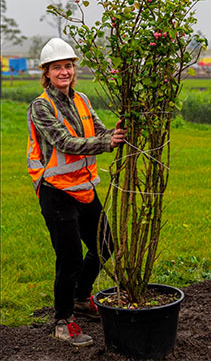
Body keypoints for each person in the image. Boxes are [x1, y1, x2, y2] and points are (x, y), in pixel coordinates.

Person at [27, 38, 127, 347]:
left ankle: (83, 298)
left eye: (68, 66)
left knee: (105, 245)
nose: (64, 72)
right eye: (57, 67)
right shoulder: (41, 106)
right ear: (47, 72)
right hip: (55, 190)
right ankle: (63, 320)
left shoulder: (82, 99)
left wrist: (119, 133)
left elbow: (98, 131)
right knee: (69, 257)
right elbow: (64, 142)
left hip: (83, 186)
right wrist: (105, 143)